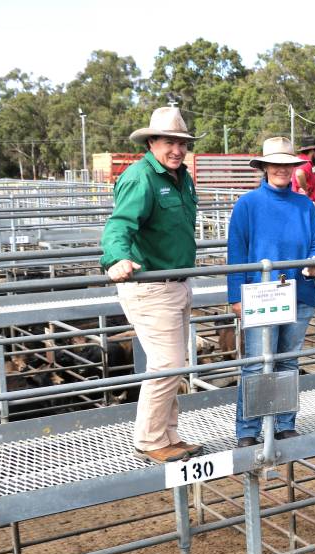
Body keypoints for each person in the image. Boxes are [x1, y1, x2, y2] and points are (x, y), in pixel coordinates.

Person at [100, 107, 204, 464]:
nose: (176, 150)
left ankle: (169, 434)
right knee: (166, 364)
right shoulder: (140, 177)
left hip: (176, 283)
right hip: (151, 286)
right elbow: (119, 225)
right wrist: (116, 258)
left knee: (176, 363)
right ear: (152, 142)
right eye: (169, 142)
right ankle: (148, 439)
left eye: (181, 143)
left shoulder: (181, 177)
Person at [227, 137, 315, 447]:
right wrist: (235, 296)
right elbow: (237, 252)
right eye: (276, 164)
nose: (282, 169)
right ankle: (248, 429)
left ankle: (284, 423)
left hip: (298, 291)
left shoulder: (304, 205)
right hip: (261, 295)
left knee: (287, 361)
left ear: (293, 168)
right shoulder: (247, 204)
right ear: (265, 167)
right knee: (257, 362)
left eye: (287, 164)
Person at [291, 134, 315, 202]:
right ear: (312, 151)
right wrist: (305, 190)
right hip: (307, 202)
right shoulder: (306, 163)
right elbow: (299, 174)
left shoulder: (301, 161)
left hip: (303, 201)